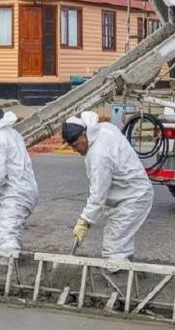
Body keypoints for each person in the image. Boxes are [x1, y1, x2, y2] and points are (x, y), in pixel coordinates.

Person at [61, 111, 153, 259]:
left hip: (132, 197)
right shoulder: (104, 128)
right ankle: (127, 274)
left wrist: (84, 221)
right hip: (128, 193)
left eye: (75, 145)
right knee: (120, 244)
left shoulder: (99, 155)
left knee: (113, 250)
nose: (75, 150)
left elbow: (98, 194)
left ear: (84, 134)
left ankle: (120, 278)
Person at [0, 103, 38, 255]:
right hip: (26, 190)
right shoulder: (13, 134)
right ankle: (11, 265)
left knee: (7, 237)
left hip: (15, 194)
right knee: (0, 229)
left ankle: (10, 272)